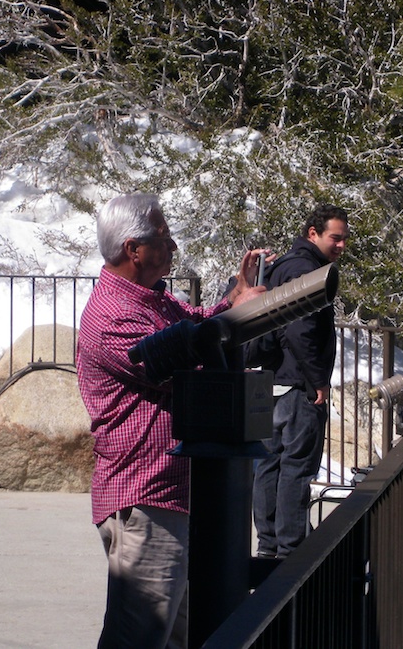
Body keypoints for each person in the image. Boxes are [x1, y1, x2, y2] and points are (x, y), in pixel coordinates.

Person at [75, 192, 264, 649]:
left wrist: (234, 300)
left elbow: (194, 324)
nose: (173, 247)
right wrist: (241, 314)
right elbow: (186, 366)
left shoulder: (152, 300)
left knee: (173, 634)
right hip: (144, 496)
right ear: (132, 250)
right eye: (163, 237)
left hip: (168, 493)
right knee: (138, 636)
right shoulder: (114, 316)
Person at [252, 203, 350, 559]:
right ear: (313, 233)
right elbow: (300, 329)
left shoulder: (282, 266)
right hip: (295, 385)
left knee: (269, 463)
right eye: (335, 238)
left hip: (270, 380)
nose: (340, 246)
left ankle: (269, 545)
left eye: (344, 240)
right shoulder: (307, 271)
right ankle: (290, 551)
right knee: (296, 466)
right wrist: (317, 381)